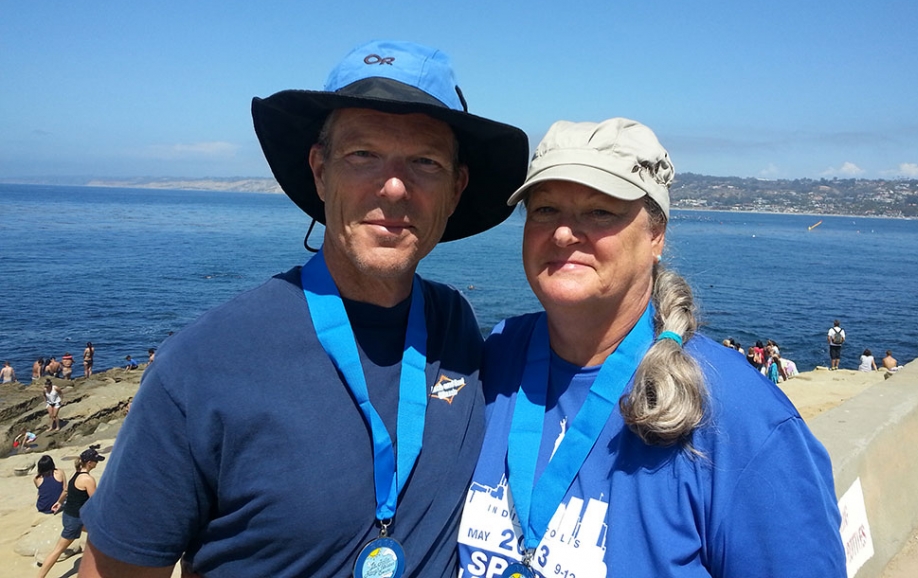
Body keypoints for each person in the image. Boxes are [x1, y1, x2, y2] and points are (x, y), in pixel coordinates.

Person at [79, 39, 528, 578]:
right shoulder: (202, 364)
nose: (393, 186)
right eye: (362, 154)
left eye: (425, 162)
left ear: (456, 189)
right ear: (320, 170)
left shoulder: (454, 324)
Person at [457, 118, 846, 577]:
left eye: (599, 212)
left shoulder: (738, 415)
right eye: (545, 210)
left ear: (656, 235)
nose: (563, 234)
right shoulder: (500, 354)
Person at [37, 447, 104, 578]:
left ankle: (99, 559)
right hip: (75, 520)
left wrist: (59, 502)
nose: (97, 463)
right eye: (96, 460)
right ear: (90, 463)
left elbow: (67, 490)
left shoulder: (77, 474)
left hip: (69, 515)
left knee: (97, 533)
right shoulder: (87, 480)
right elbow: (96, 502)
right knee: (57, 551)